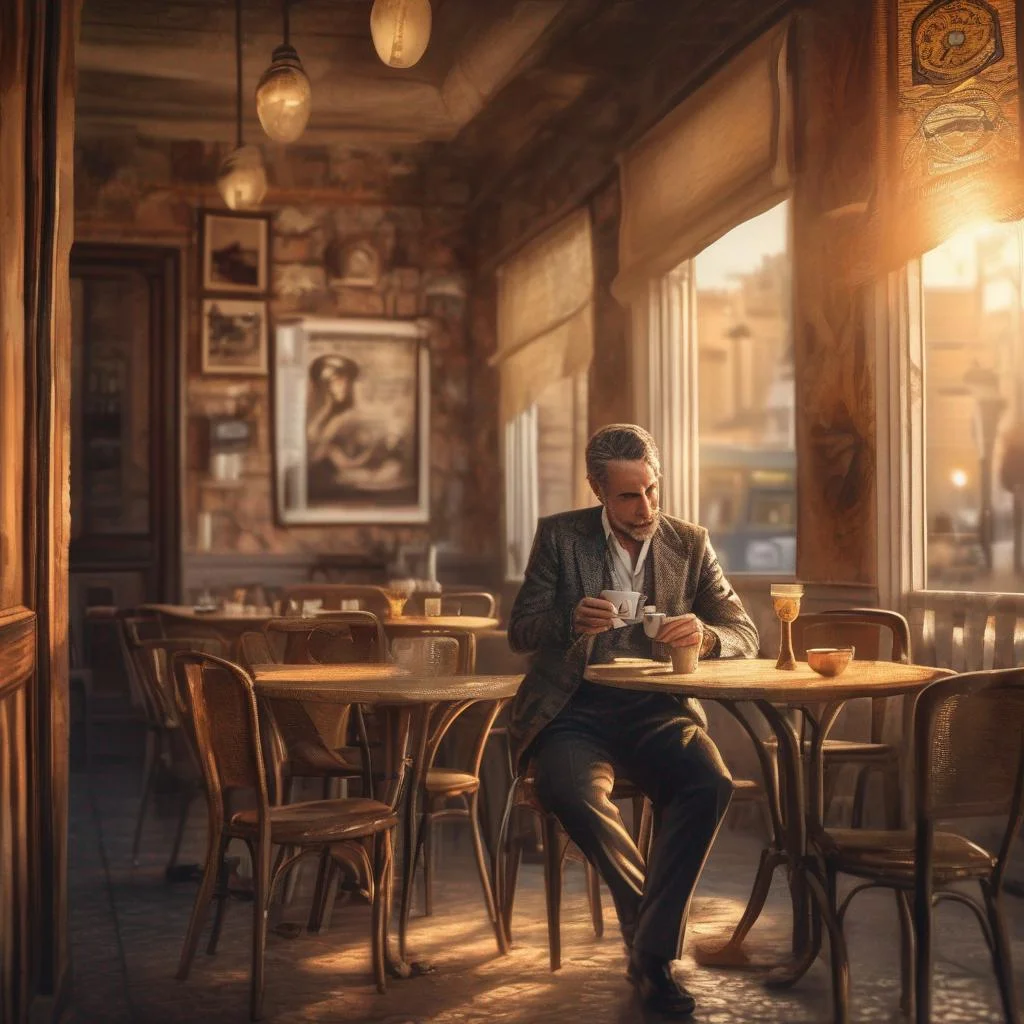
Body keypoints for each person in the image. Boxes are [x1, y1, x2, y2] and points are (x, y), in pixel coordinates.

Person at [507, 423, 759, 1018]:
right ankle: (654, 949)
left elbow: (745, 631)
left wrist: (707, 634)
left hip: (657, 709)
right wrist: (571, 619)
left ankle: (646, 948)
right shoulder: (559, 537)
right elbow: (521, 631)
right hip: (574, 708)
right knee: (567, 788)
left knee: (710, 782)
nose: (645, 506)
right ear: (598, 488)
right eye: (628, 495)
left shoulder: (689, 542)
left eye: (652, 491)